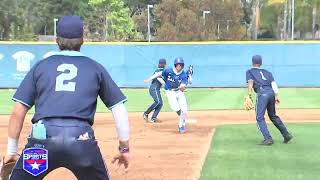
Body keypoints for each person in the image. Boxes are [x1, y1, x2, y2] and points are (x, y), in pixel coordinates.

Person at [2, 16, 130, 179]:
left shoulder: (41, 67)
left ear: (56, 40)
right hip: (81, 141)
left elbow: (18, 111)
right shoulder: (95, 68)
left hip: (41, 143)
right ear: (83, 40)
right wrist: (124, 149)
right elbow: (119, 109)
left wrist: (12, 151)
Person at [246, 55, 293, 145]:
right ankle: (286, 134)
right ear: (261, 63)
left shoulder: (249, 72)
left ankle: (268, 139)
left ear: (252, 62)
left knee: (259, 117)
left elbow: (250, 82)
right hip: (271, 93)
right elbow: (273, 84)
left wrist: (249, 95)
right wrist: (276, 95)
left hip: (262, 94)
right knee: (273, 115)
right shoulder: (267, 72)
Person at [144, 58, 189, 133]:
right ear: (175, 65)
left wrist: (182, 87)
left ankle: (181, 125)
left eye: (181, 65)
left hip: (179, 92)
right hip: (170, 92)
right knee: (175, 108)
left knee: (184, 110)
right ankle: (181, 117)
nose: (179, 67)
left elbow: (183, 86)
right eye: (178, 65)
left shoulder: (183, 75)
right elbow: (159, 74)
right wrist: (149, 79)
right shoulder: (168, 70)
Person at [143, 59, 167, 123]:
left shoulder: (163, 71)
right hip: (154, 89)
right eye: (161, 63)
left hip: (156, 89)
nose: (162, 65)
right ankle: (146, 113)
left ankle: (153, 118)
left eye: (163, 63)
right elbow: (159, 79)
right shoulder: (158, 71)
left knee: (160, 103)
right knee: (158, 102)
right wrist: (165, 84)